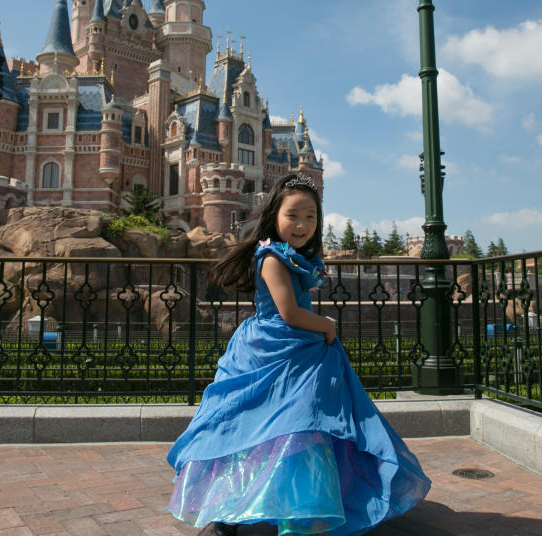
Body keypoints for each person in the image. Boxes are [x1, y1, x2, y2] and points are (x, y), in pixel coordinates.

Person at [167, 172, 430, 536]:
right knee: (257, 429)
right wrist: (326, 325)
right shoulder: (272, 258)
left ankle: (297, 510)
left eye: (311, 216)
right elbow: (289, 312)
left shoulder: (294, 256)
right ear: (274, 213)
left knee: (303, 428)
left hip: (297, 350)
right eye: (294, 215)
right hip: (274, 348)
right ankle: (230, 513)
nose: (303, 224)